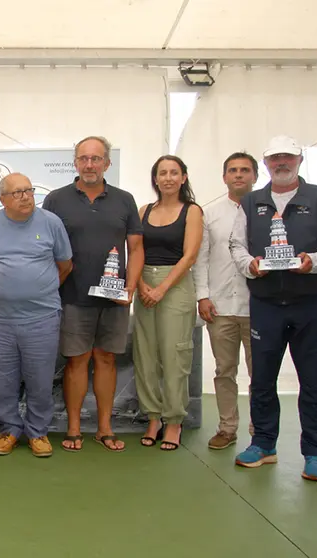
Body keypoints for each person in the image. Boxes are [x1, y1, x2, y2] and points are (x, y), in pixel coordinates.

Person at [229, 135, 317, 481]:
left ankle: (316, 451)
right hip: (266, 303)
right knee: (261, 379)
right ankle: (263, 444)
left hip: (309, 303)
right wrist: (252, 266)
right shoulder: (250, 202)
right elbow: (237, 245)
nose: (281, 163)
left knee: (314, 382)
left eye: (287, 157)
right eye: (274, 158)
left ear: (299, 159)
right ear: (266, 163)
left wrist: (313, 261)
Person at [43, 136, 144, 453]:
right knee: (76, 362)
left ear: (107, 163)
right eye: (83, 158)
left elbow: (137, 248)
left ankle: (104, 427)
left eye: (96, 159)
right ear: (75, 162)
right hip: (72, 297)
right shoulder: (56, 200)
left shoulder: (125, 200)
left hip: (113, 299)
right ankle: (73, 428)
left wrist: (129, 287)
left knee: (106, 360)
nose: (89, 164)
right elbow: (46, 248)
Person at [0, 173, 73, 458]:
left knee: (40, 378)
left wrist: (40, 289)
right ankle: (9, 429)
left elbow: (65, 265)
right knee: (3, 379)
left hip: (42, 317)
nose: (25, 196)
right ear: (2, 199)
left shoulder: (51, 223)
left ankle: (38, 432)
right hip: (0, 319)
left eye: (28, 190)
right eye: (17, 193)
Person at [134, 156, 202, 451]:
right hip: (143, 283)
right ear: (155, 179)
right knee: (145, 355)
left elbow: (189, 256)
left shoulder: (192, 211)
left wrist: (161, 288)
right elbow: (134, 251)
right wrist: (139, 284)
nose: (169, 178)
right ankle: (153, 417)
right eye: (163, 173)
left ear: (184, 178)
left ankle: (173, 420)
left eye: (175, 173)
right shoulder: (144, 210)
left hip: (175, 285)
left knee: (176, 356)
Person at [195, 152, 258, 450]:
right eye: (233, 170)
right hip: (219, 307)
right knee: (224, 371)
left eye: (245, 170)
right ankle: (227, 427)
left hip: (258, 306)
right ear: (224, 177)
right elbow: (201, 258)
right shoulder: (210, 214)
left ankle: (261, 430)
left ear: (255, 176)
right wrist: (203, 296)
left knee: (261, 372)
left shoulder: (266, 211)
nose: (238, 175)